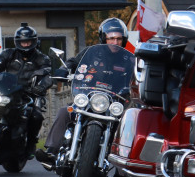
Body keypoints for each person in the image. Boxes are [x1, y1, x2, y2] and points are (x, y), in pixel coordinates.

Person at [37, 18, 132, 166]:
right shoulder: (91, 53)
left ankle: (121, 166)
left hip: (114, 103)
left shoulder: (128, 60)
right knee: (65, 111)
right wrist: (64, 69)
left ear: (124, 40)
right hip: (89, 98)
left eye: (119, 39)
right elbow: (74, 62)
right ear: (104, 38)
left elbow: (137, 77)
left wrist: (135, 85)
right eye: (111, 38)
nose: (115, 42)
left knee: (126, 123)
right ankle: (52, 152)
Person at [0, 23, 53, 157]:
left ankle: (31, 142)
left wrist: (41, 86)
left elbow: (47, 75)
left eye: (28, 42)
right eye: (23, 42)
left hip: (30, 93)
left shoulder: (42, 58)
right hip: (8, 91)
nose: (25, 45)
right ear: (17, 42)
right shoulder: (8, 54)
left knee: (36, 116)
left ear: (34, 42)